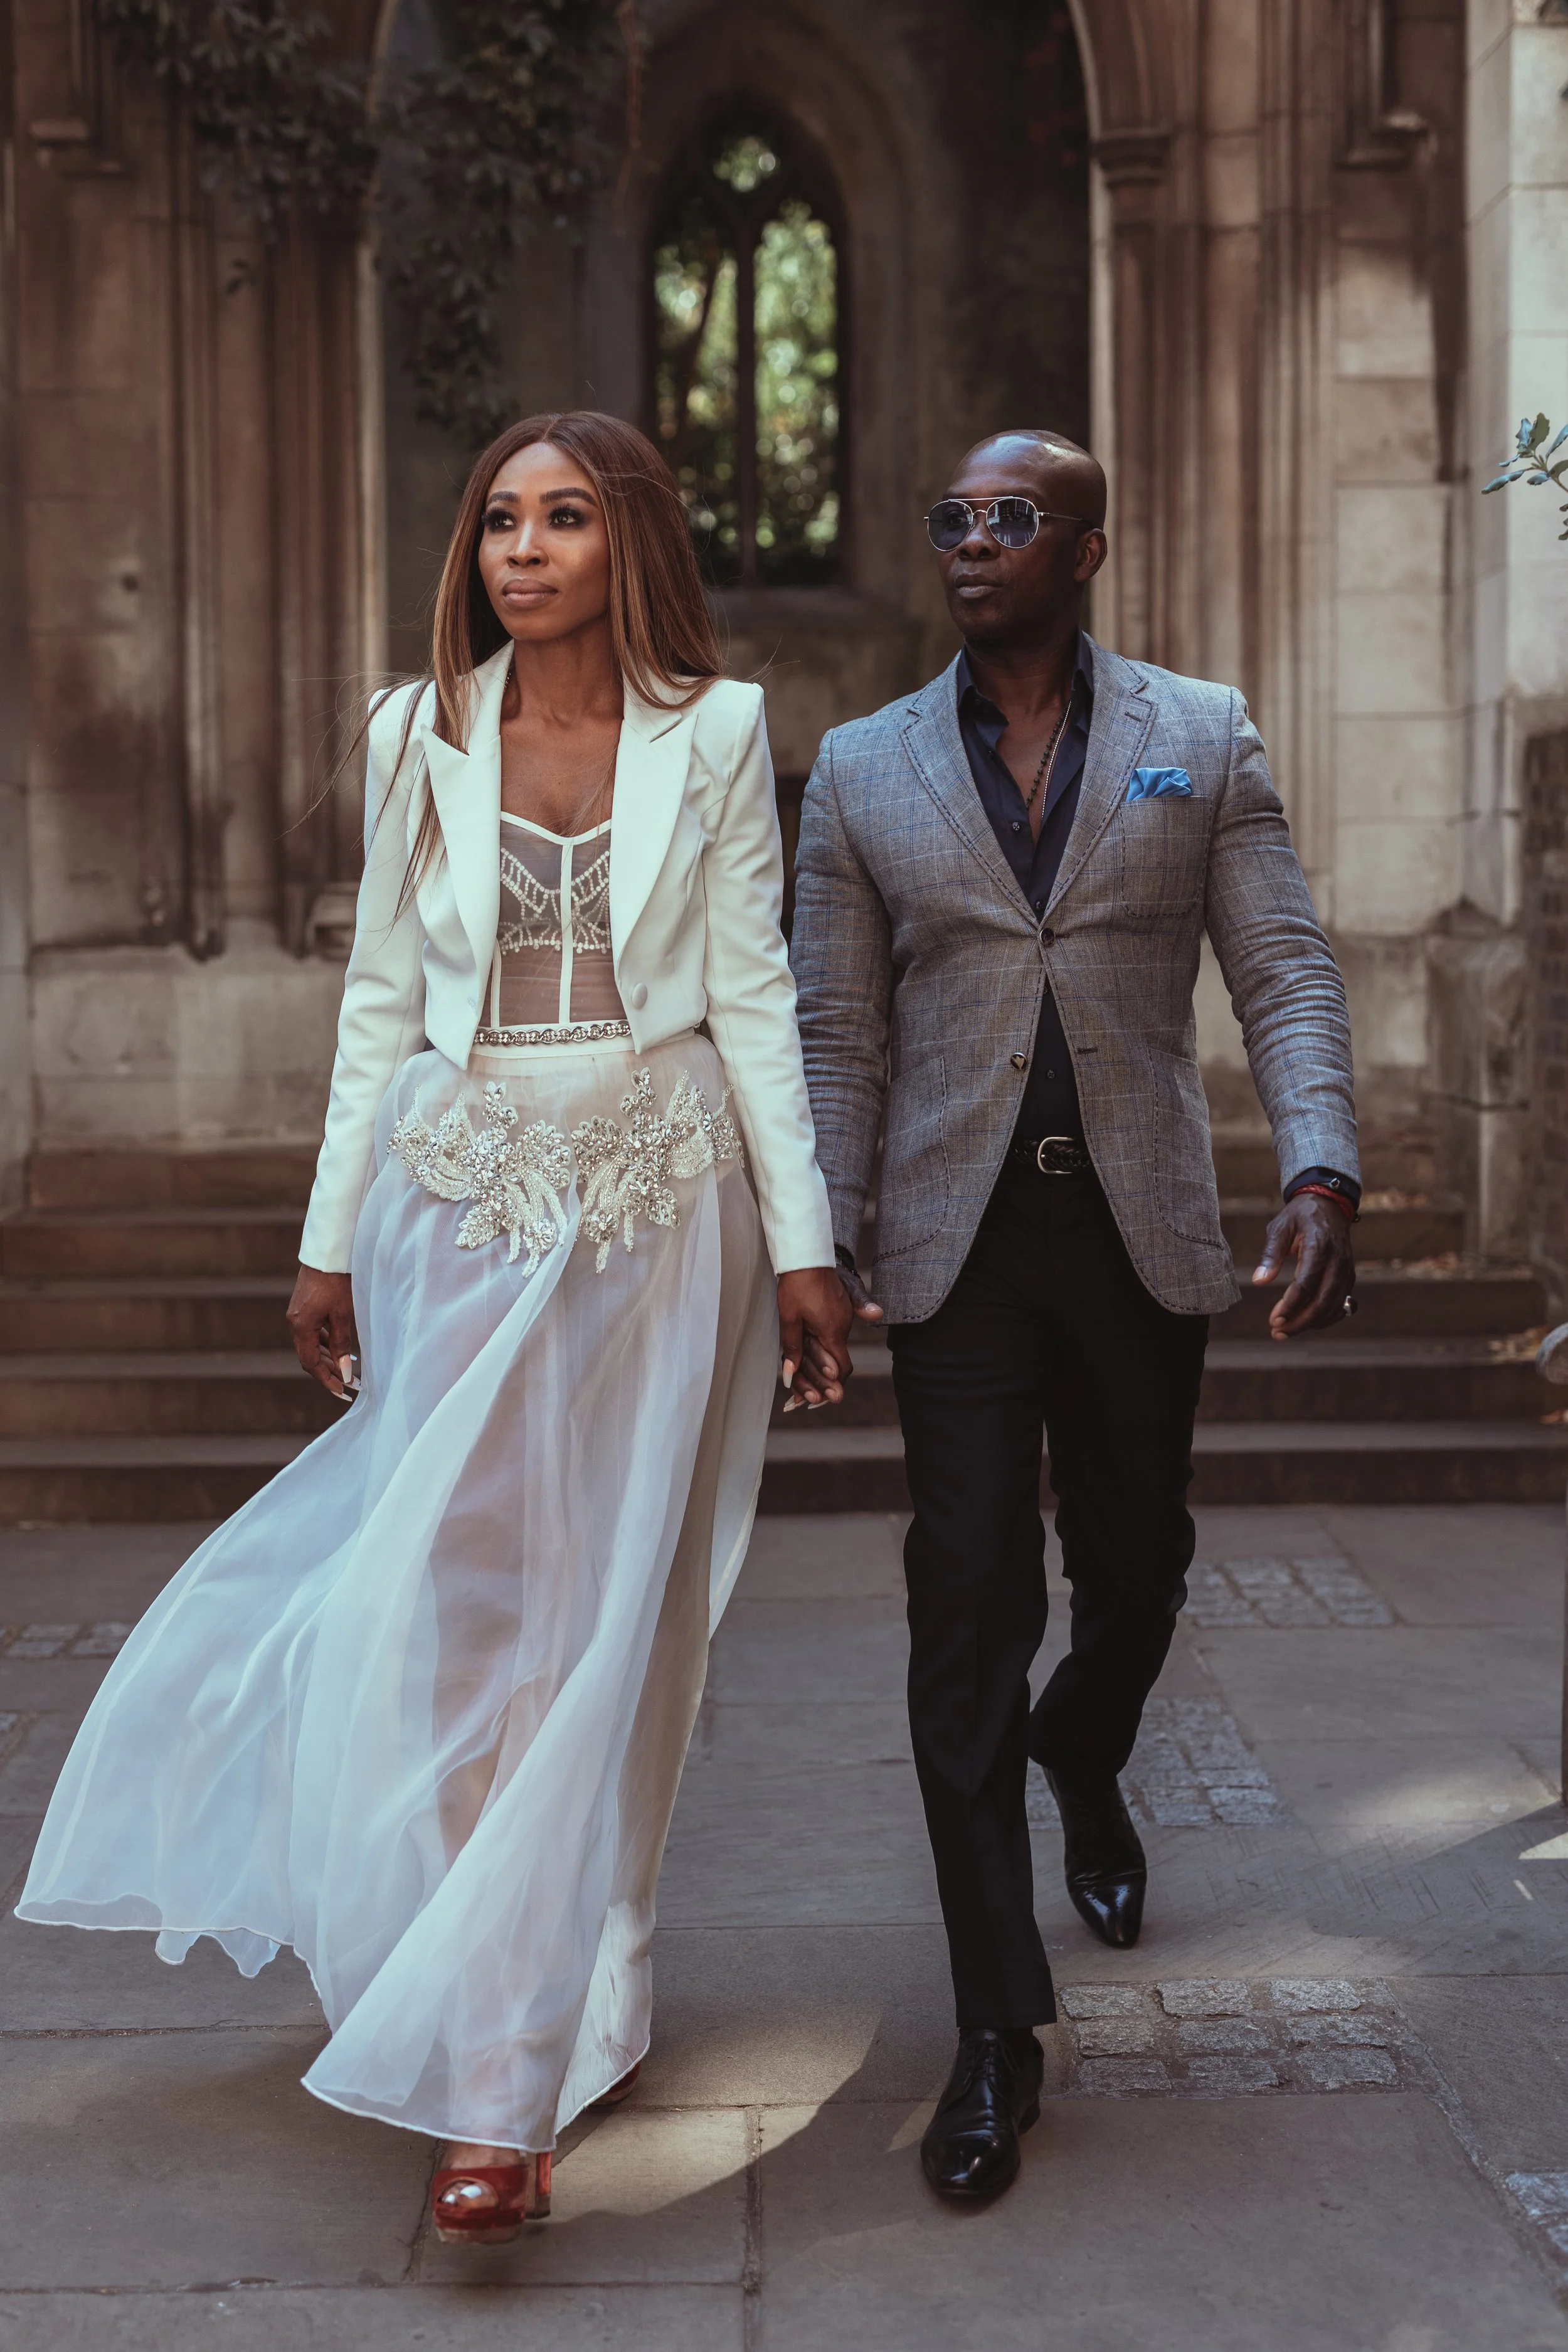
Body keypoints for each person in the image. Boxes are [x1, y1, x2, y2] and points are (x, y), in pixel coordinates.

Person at [18, 410, 852, 2243]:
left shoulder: (715, 731)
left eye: (562, 518)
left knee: (613, 1626)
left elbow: (752, 991)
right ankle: (494, 2050)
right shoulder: (421, 731)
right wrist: (324, 1241)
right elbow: (381, 999)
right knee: (464, 1610)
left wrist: (806, 1241)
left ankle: (555, 2024)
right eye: (498, 522)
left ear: (626, 539)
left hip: (655, 1205)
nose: (524, 551)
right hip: (454, 1206)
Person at [789, 428, 1358, 2203]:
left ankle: (1084, 1748)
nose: (972, 540)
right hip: (953, 1243)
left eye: (1010, 516)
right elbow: (830, 1027)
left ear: (1086, 548)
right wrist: (818, 1230)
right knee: (961, 1590)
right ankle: (992, 2024)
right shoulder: (859, 764)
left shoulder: (1199, 729)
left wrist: (1322, 1162)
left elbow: (1276, 957)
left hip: (1135, 1233)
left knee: (1134, 1566)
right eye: (950, 513)